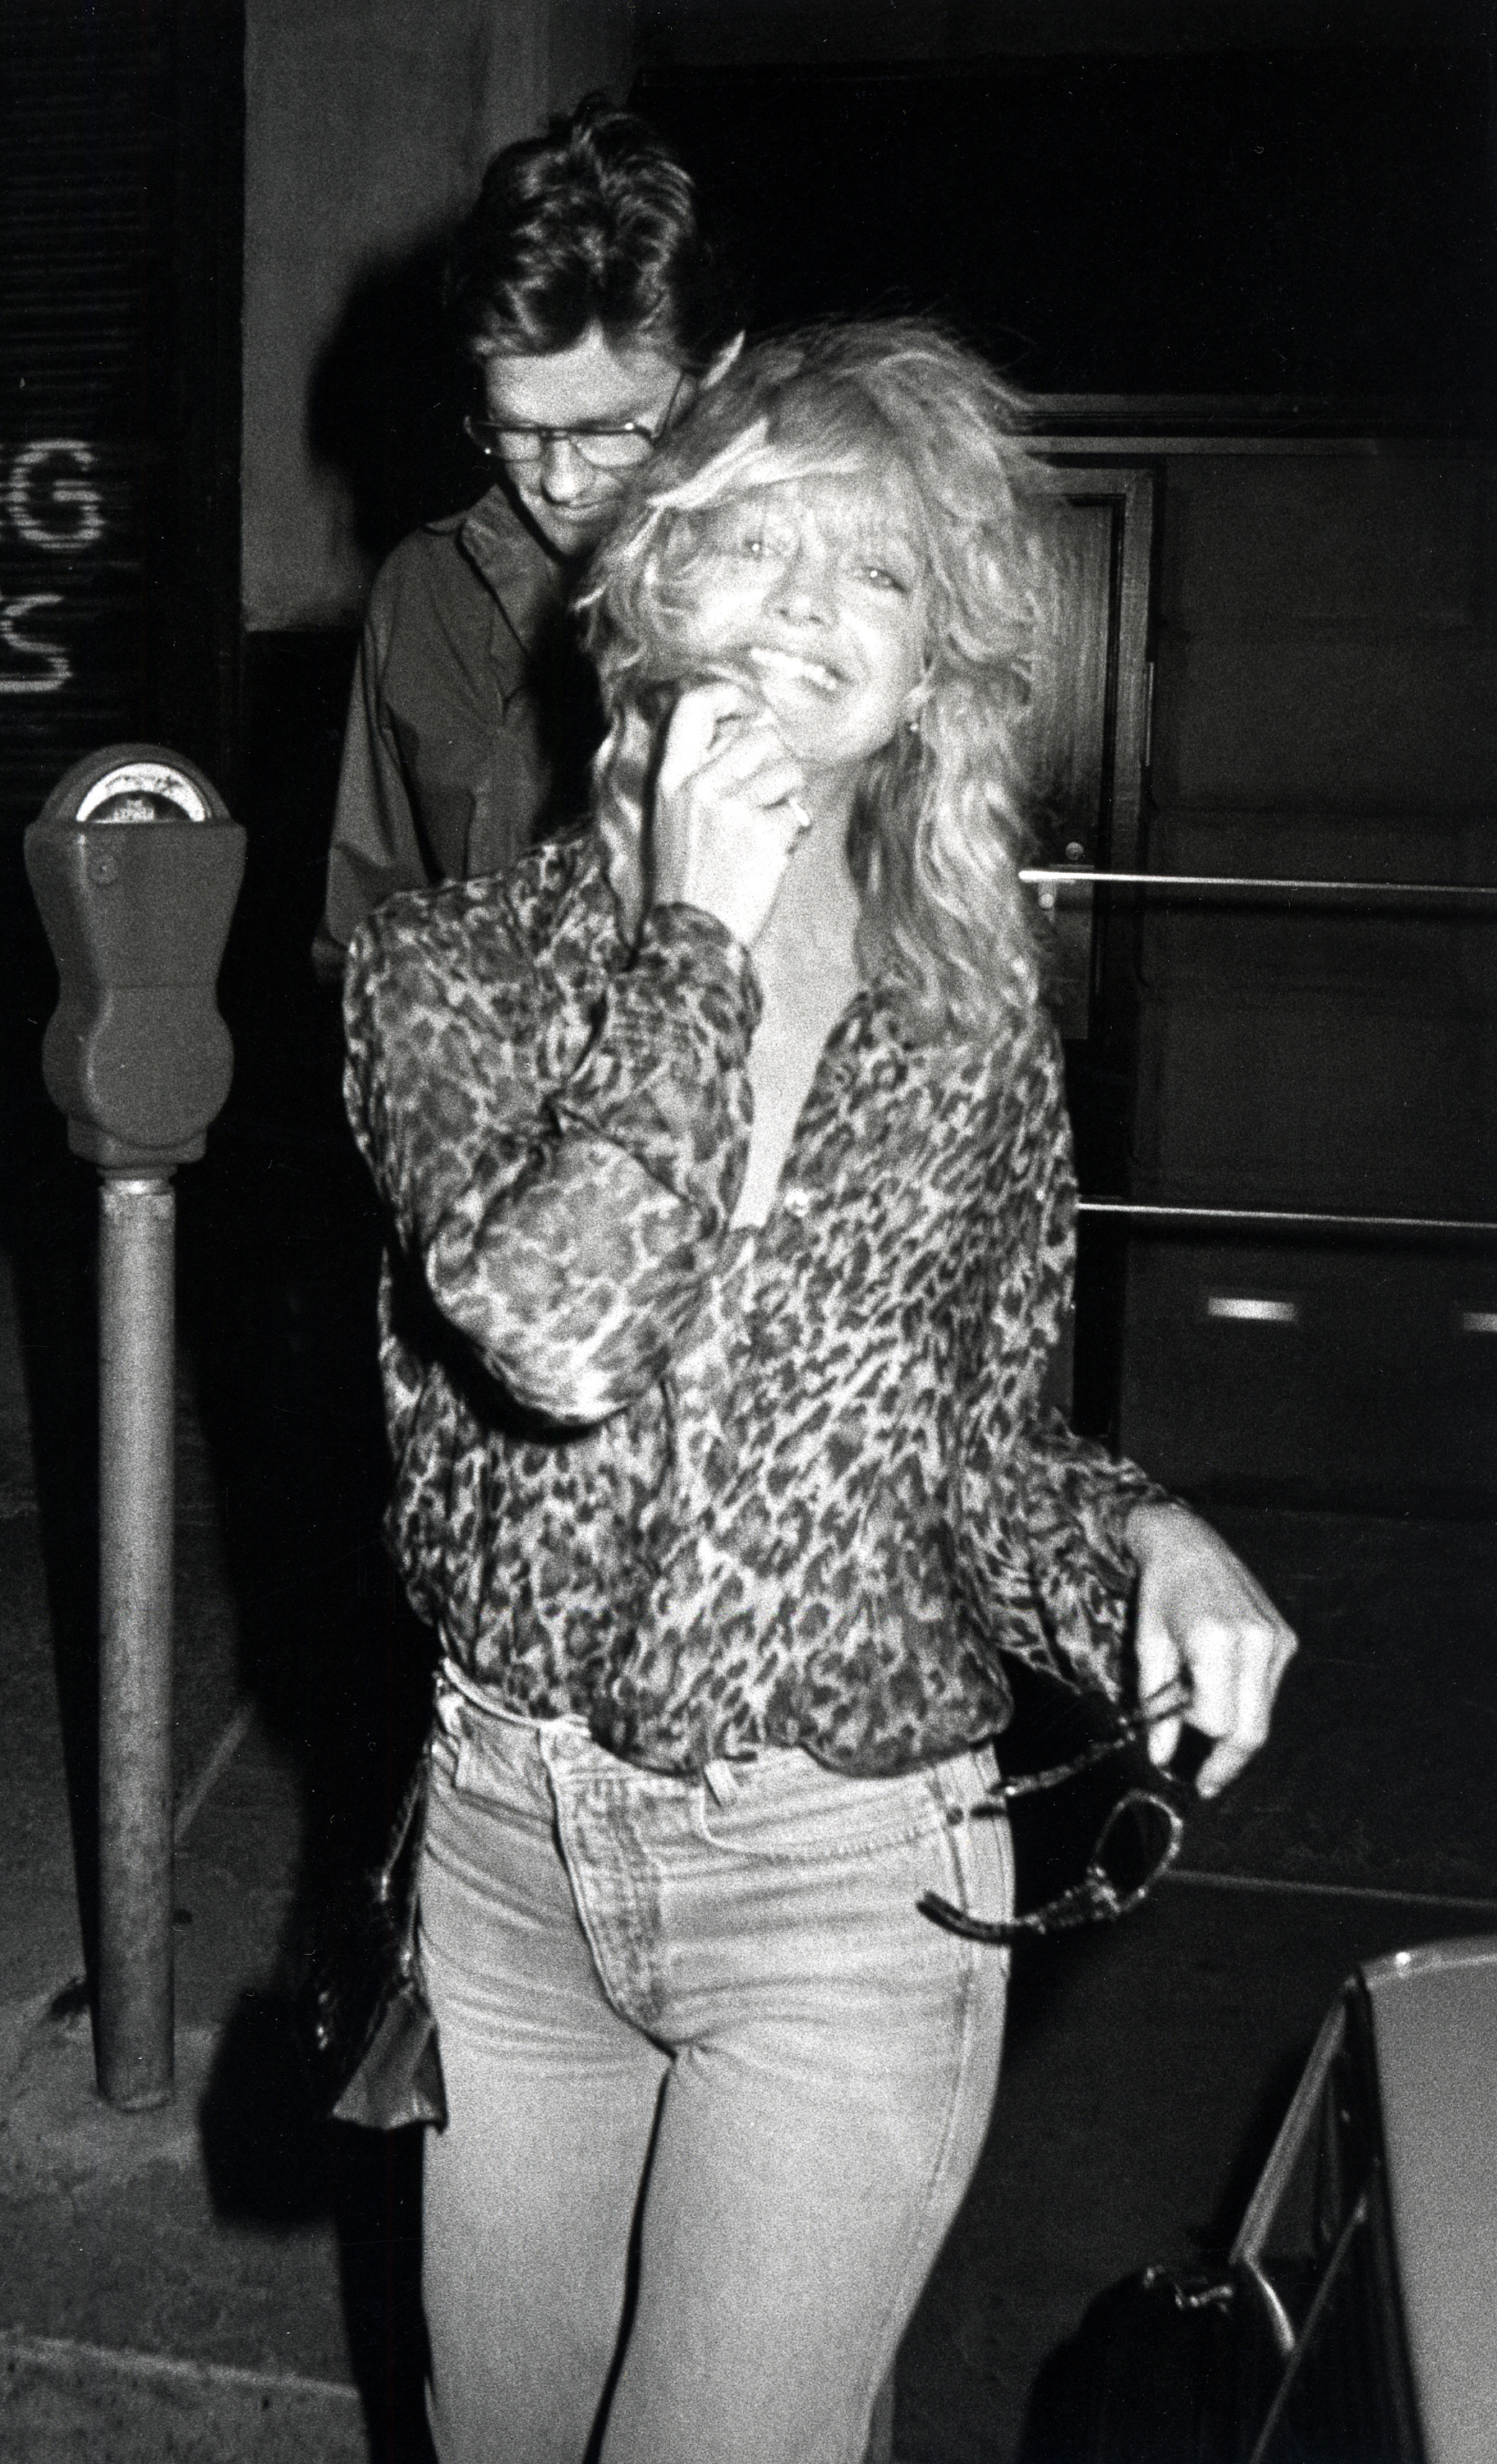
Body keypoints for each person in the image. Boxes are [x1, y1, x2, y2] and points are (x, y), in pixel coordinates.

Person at [341, 318, 1297, 2464]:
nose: (803, 607)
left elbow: (976, 1447)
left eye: (871, 571)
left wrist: (1138, 1540)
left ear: (927, 662)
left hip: (848, 1875)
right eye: (755, 543)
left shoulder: (963, 1024)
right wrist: (692, 943)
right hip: (514, 1860)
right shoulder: (454, 972)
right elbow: (559, 1324)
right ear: (648, 589)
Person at [313, 94, 743, 979]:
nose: (557, 478)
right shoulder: (423, 593)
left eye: (607, 429)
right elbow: (367, 938)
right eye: (518, 428)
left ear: (714, 381)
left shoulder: (797, 600)